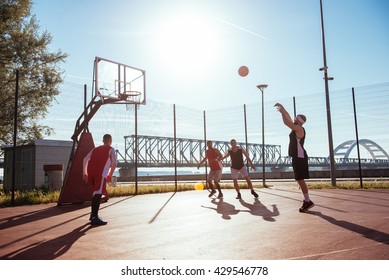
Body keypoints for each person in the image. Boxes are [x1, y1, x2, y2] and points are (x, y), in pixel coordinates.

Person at [274, 103, 314, 212]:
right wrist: (282, 108)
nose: (293, 119)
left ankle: (308, 201)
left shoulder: (299, 129)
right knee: (299, 179)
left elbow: (286, 121)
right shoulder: (296, 127)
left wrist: (282, 112)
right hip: (297, 157)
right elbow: (288, 117)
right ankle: (307, 200)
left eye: (295, 118)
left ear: (298, 121)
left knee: (300, 179)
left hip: (300, 157)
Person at [83, 134, 117, 226]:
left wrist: (84, 172)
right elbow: (114, 163)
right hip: (101, 173)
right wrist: (110, 174)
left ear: (103, 140)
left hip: (91, 173)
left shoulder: (95, 149)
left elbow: (85, 159)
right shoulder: (111, 149)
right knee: (98, 194)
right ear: (110, 140)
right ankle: (95, 218)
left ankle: (92, 215)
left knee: (95, 193)